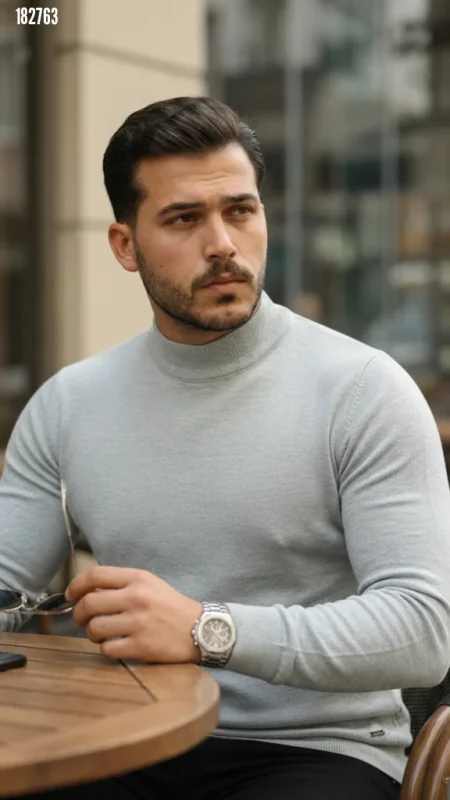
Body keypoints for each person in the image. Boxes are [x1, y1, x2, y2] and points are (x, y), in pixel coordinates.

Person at [1, 96, 449, 800]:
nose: (222, 244)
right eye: (184, 218)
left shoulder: (364, 390)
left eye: (240, 210)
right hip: (117, 733)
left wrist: (206, 628)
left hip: (313, 751)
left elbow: (423, 632)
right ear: (125, 245)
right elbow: (6, 590)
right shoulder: (67, 404)